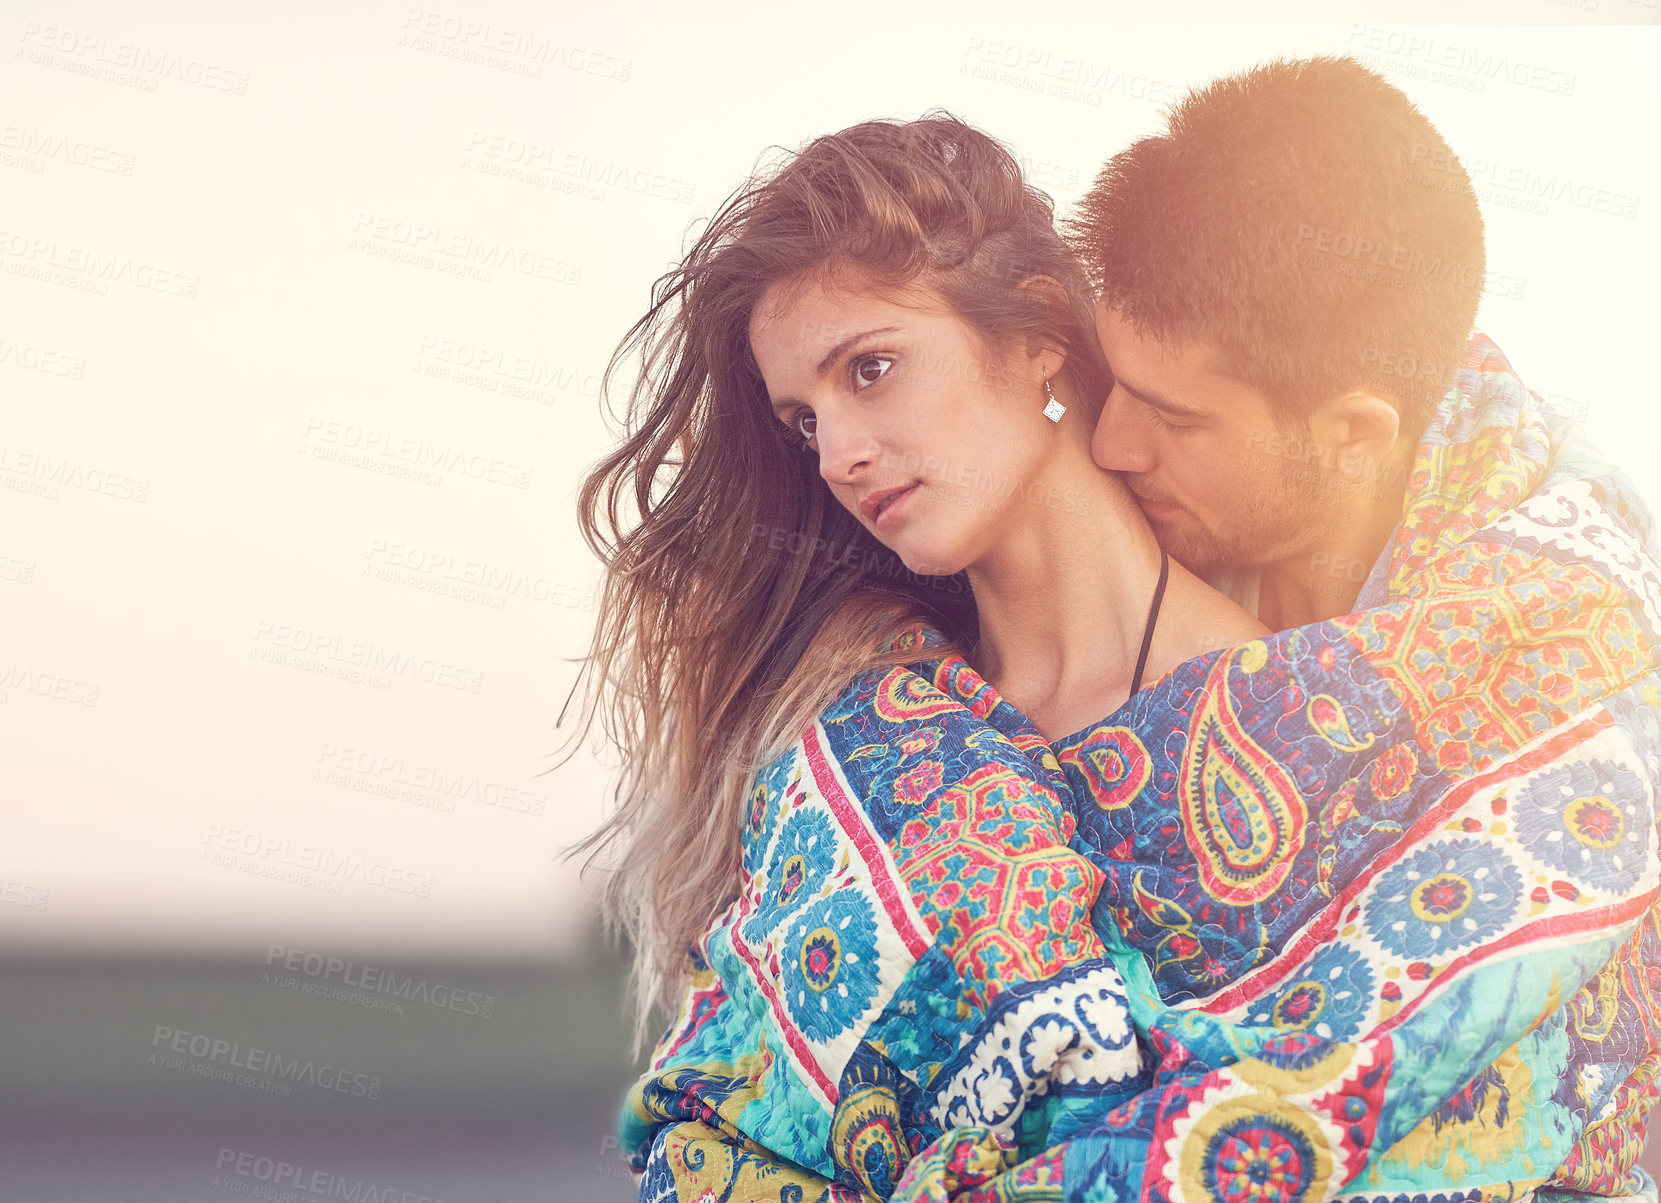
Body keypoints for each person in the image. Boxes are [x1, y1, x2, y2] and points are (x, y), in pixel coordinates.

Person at [560, 112, 1265, 1200]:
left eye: (872, 369)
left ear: (1034, 331)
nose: (839, 454)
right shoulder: (839, 754)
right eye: (803, 420)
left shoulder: (1291, 710)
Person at [1009, 53, 1661, 1201]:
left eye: (1170, 415)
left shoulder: (1568, 634)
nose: (1108, 444)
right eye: (1112, 384)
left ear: (1355, 436)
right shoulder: (1137, 522)